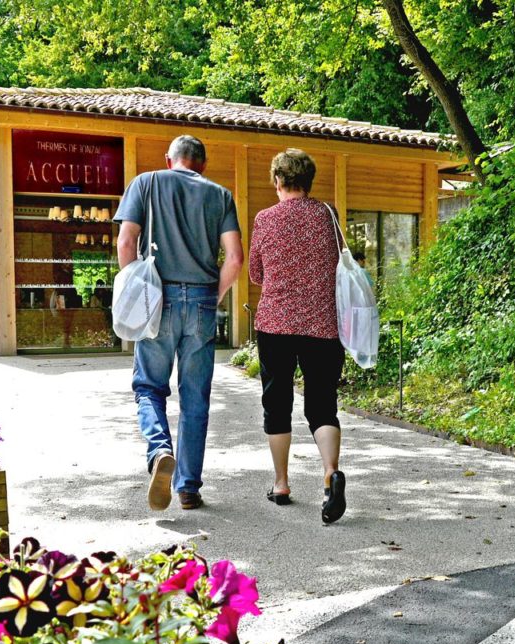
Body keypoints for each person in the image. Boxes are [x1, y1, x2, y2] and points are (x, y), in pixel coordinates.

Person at [115, 135, 243, 511]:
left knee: (149, 387)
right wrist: (212, 297)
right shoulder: (220, 195)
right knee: (195, 397)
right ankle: (188, 488)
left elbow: (126, 242)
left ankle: (159, 451)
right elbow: (234, 259)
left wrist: (138, 294)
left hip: (159, 300)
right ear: (202, 164)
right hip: (202, 300)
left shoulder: (146, 182)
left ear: (169, 159)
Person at [249, 148, 347, 524]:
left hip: (276, 324)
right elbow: (341, 262)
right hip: (323, 323)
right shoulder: (327, 215)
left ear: (278, 181)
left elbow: (256, 274)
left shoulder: (265, 220)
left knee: (277, 403)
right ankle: (330, 474)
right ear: (309, 181)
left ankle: (282, 483)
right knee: (322, 403)